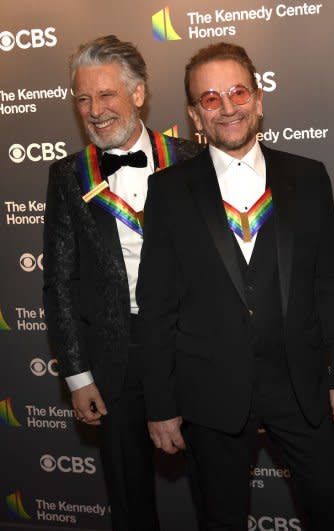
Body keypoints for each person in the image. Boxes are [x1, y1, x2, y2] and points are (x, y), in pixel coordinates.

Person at [137, 42, 334, 531]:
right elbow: (155, 306)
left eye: (238, 91)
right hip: (210, 392)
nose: (228, 107)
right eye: (211, 99)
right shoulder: (169, 191)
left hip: (301, 385)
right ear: (195, 115)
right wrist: (161, 404)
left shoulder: (309, 177)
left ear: (259, 99)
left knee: (332, 509)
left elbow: (328, 281)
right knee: (221, 518)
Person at [42, 35, 201, 530]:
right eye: (83, 99)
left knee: (217, 489)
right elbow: (61, 282)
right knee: (129, 503)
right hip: (114, 359)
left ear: (138, 95)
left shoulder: (194, 160)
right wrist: (77, 374)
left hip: (193, 348)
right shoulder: (69, 175)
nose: (94, 110)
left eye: (106, 95)